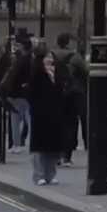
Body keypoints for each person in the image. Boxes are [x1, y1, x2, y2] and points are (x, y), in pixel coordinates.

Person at [28, 48, 67, 185]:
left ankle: (50, 174)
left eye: (51, 57)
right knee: (39, 147)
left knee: (52, 147)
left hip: (55, 114)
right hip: (40, 114)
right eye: (47, 57)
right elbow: (31, 94)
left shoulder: (58, 74)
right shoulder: (37, 74)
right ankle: (39, 175)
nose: (50, 60)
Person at [54, 33, 88, 166]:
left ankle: (56, 155)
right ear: (68, 43)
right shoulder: (75, 57)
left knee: (57, 124)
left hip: (56, 93)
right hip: (73, 93)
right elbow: (86, 71)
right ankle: (66, 157)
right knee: (70, 124)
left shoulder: (51, 54)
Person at [1, 37, 34, 154]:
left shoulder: (20, 61)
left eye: (19, 46)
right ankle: (29, 143)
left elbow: (13, 77)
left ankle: (16, 144)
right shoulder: (32, 59)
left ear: (23, 47)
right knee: (28, 119)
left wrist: (8, 91)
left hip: (17, 93)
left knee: (16, 119)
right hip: (27, 93)